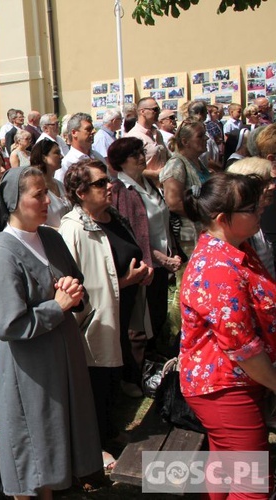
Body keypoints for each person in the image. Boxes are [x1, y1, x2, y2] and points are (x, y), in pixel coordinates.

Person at [0, 166, 102, 499]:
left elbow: (77, 288)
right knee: (34, 446)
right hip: (30, 368)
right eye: (38, 194)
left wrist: (73, 291)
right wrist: (57, 306)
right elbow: (8, 323)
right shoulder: (2, 257)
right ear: (14, 202)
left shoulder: (51, 237)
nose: (48, 200)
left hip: (63, 358)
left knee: (58, 435)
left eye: (47, 192)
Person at [179, 173, 276, 499]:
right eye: (252, 208)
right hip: (225, 387)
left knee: (226, 468)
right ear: (223, 219)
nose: (261, 210)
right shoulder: (218, 268)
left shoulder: (237, 249)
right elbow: (244, 348)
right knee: (253, 485)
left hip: (230, 383)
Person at [59, 159, 152, 463]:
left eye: (107, 180)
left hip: (121, 311)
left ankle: (109, 431)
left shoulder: (112, 216)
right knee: (95, 383)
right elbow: (70, 282)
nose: (109, 186)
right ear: (80, 191)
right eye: (100, 183)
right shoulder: (74, 228)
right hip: (94, 319)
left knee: (112, 377)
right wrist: (127, 280)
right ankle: (93, 446)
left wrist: (142, 273)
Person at [107, 137, 181, 362]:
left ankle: (156, 352)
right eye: (134, 155)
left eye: (141, 152)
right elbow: (131, 235)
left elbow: (163, 220)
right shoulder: (122, 191)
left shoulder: (148, 184)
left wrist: (172, 252)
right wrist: (160, 258)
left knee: (158, 310)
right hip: (145, 264)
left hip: (162, 260)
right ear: (121, 162)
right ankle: (143, 361)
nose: (141, 157)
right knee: (143, 317)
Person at [159, 119, 211, 260]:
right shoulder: (176, 165)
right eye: (200, 136)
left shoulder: (198, 162)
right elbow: (173, 203)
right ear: (185, 141)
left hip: (204, 230)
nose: (206, 138)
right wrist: (203, 215)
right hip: (188, 237)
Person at [227, 157, 276, 280]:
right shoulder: (238, 227)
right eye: (266, 182)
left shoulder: (256, 220)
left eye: (272, 180)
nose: (272, 186)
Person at [29, 139, 71, 228]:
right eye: (57, 153)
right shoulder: (34, 189)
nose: (61, 156)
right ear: (44, 158)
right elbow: (36, 224)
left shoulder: (60, 185)